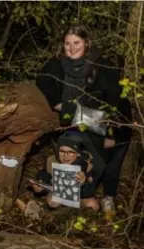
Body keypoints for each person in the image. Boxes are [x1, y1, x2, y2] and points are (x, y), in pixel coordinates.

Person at [36, 24, 132, 215]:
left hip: (109, 120)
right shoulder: (59, 63)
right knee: (82, 158)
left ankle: (108, 198)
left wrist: (111, 133)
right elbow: (42, 78)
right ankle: (71, 197)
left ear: (86, 43)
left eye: (76, 43)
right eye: (67, 43)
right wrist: (57, 103)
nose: (71, 48)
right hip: (82, 119)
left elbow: (116, 102)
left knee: (109, 162)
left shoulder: (102, 65)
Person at [30, 131, 105, 210]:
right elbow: (44, 174)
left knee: (93, 205)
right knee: (52, 202)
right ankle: (61, 209)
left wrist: (83, 183)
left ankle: (72, 210)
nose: (66, 156)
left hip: (79, 197)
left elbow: (88, 192)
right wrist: (40, 184)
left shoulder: (88, 164)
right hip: (59, 193)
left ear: (78, 153)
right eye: (62, 151)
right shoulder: (52, 160)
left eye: (71, 152)